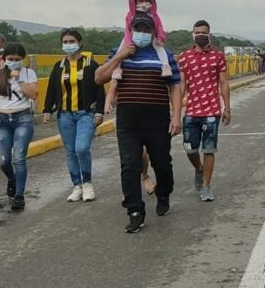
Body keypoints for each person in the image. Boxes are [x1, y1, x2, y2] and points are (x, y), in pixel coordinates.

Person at [95, 12, 182, 233]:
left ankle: (164, 193)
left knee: (162, 164)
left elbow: (174, 86)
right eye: (137, 29)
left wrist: (176, 116)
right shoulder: (120, 52)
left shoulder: (163, 55)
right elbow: (99, 77)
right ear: (130, 30)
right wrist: (120, 55)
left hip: (157, 121)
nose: (141, 33)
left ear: (153, 32)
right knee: (129, 166)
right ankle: (135, 211)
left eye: (146, 30)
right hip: (128, 123)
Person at [42, 28, 106, 202]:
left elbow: (99, 89)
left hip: (86, 113)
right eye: (65, 42)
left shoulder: (90, 64)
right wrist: (47, 109)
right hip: (65, 115)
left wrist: (99, 111)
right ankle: (77, 185)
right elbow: (51, 88)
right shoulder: (59, 66)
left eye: (72, 41)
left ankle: (87, 183)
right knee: (70, 152)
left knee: (81, 148)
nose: (68, 45)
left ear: (80, 43)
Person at [178, 20, 231, 202]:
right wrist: (176, 111)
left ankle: (206, 186)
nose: (200, 35)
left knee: (209, 150)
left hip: (211, 111)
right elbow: (182, 84)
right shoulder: (184, 57)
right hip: (191, 111)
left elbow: (223, 82)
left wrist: (227, 108)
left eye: (203, 32)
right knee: (189, 149)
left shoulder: (218, 56)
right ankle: (199, 169)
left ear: (209, 35)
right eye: (197, 32)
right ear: (193, 35)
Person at [0, 43, 38, 211]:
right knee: (4, 161)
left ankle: (19, 196)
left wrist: (19, 79)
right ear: (5, 58)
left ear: (22, 59)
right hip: (2, 120)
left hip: (22, 118)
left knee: (19, 158)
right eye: (10, 59)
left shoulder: (29, 73)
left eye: (17, 59)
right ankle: (12, 179)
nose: (14, 61)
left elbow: (33, 94)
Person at [105, 79, 157, 194]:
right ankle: (129, 189)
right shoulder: (120, 69)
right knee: (127, 156)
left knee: (143, 151)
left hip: (147, 114)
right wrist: (108, 102)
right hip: (126, 117)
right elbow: (113, 87)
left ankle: (144, 176)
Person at [112, 0, 171, 80]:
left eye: (146, 1)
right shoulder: (130, 15)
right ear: (134, 2)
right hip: (131, 37)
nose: (144, 4)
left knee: (160, 49)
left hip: (151, 37)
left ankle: (165, 66)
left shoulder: (153, 14)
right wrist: (128, 42)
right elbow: (127, 29)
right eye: (140, 1)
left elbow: (159, 27)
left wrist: (160, 38)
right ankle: (117, 68)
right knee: (121, 49)